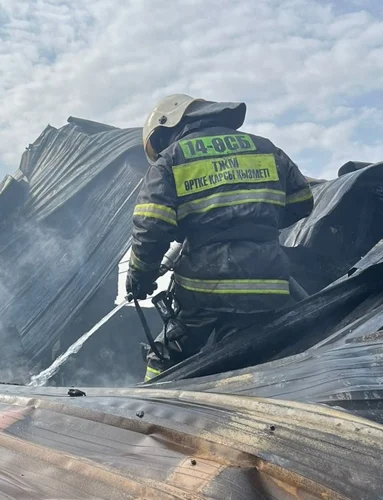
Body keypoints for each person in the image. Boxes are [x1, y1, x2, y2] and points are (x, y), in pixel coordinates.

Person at [125, 94, 314, 381]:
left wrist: (139, 277)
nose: (165, 146)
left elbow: (151, 227)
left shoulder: (171, 159)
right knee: (251, 356)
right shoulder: (266, 148)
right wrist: (254, 223)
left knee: (167, 355)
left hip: (205, 286)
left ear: (170, 124)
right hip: (268, 283)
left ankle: (148, 408)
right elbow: (302, 202)